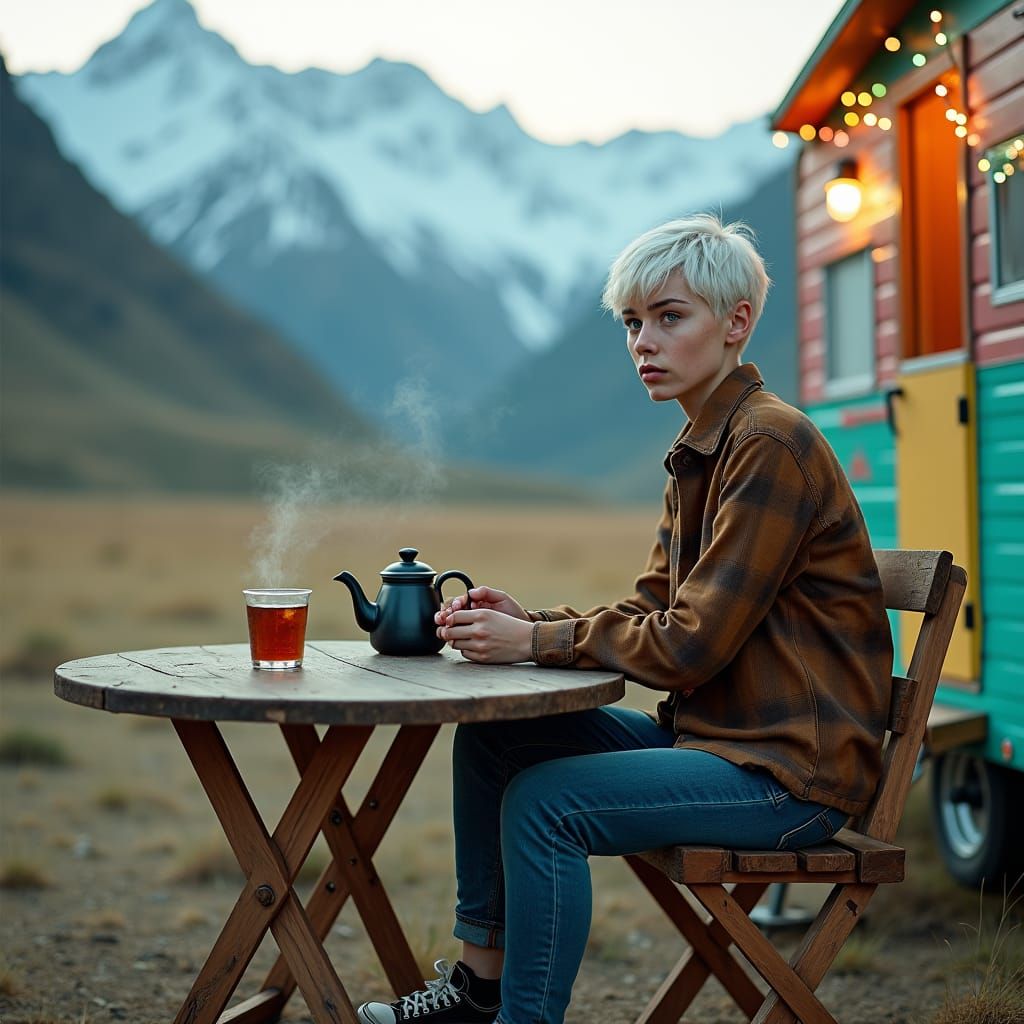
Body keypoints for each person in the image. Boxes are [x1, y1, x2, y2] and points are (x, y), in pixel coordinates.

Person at [356, 214, 894, 1024]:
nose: (644, 341)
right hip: (719, 743)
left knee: (547, 803)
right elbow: (652, 610)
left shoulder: (769, 447)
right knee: (494, 740)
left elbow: (690, 645)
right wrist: (525, 619)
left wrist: (534, 643)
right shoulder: (700, 450)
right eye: (633, 322)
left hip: (792, 776)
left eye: (670, 317)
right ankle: (479, 995)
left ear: (737, 323)